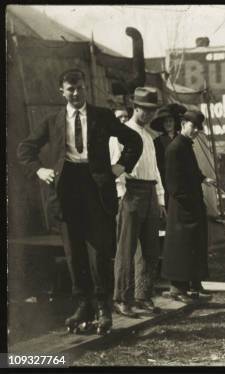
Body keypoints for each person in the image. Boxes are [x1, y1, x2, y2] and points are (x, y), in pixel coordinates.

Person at [17, 68, 143, 334]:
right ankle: (83, 305)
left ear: (86, 88)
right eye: (70, 89)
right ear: (61, 91)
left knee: (99, 253)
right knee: (74, 254)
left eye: (80, 88)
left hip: (95, 188)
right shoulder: (53, 121)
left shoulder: (102, 116)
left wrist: (120, 167)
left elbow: (133, 140)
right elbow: (25, 149)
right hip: (66, 190)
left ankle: (104, 308)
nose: (76, 93)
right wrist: (39, 169)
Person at [109, 87, 165, 317]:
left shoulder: (149, 137)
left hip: (150, 192)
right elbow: (115, 167)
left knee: (150, 249)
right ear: (135, 107)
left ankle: (143, 295)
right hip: (131, 192)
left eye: (153, 111)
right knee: (126, 249)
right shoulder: (120, 133)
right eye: (146, 110)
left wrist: (160, 199)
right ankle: (122, 298)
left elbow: (155, 170)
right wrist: (123, 195)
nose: (150, 115)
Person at [161, 110, 215, 302]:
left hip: (192, 204)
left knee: (194, 245)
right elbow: (174, 185)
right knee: (181, 248)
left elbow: (191, 171)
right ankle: (178, 289)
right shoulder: (174, 148)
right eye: (193, 127)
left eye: (198, 129)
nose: (195, 131)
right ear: (183, 124)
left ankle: (194, 284)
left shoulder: (186, 146)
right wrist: (190, 202)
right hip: (182, 207)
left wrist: (203, 178)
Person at [151, 103, 187, 207]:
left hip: (181, 177)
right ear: (163, 124)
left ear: (175, 123)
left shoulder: (182, 139)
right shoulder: (157, 142)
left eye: (170, 121)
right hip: (166, 177)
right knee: (169, 202)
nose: (168, 124)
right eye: (166, 122)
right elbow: (157, 161)